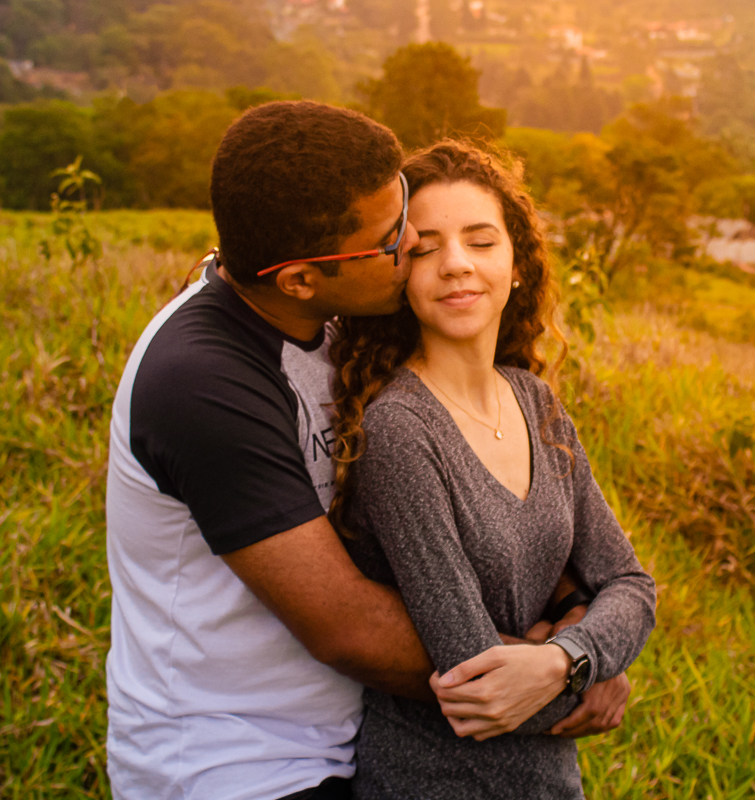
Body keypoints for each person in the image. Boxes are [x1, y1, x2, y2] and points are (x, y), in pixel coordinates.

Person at [104, 101, 627, 800]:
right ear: (298, 277)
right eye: (391, 241)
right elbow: (348, 627)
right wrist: (561, 675)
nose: (413, 244)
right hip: (237, 761)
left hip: (356, 735)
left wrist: (584, 642)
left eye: (402, 207)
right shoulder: (204, 383)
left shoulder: (336, 322)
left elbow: (526, 526)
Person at [328, 140, 657, 799]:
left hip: (549, 784)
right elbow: (474, 677)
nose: (455, 266)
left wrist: (568, 657)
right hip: (434, 781)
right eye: (424, 248)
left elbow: (631, 584)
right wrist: (592, 678)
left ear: (517, 264)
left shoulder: (536, 404)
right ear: (400, 275)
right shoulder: (400, 429)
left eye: (481, 241)